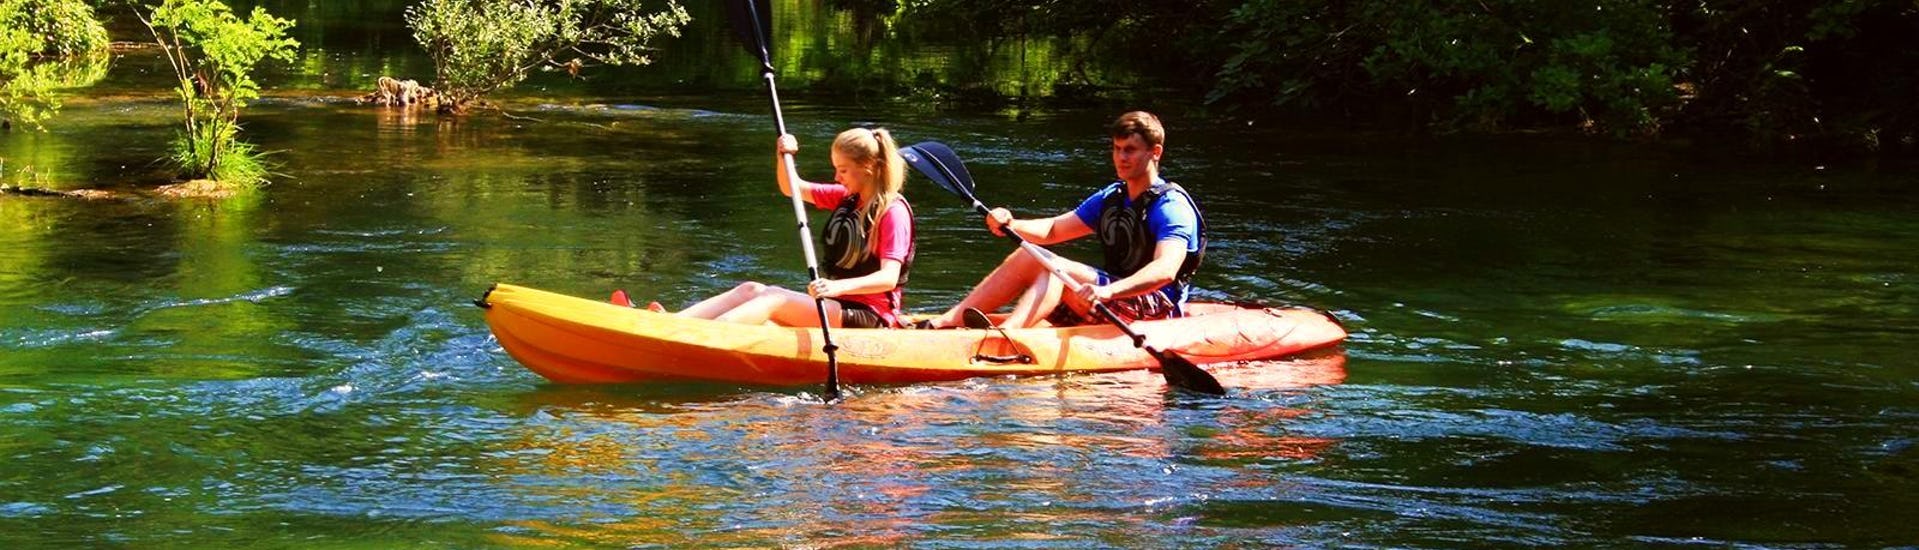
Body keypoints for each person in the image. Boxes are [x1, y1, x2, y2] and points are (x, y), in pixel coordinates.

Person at [924, 111, 1204, 329]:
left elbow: (1165, 270)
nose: (1121, 157)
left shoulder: (1171, 207)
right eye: (1117, 148)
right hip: (1113, 294)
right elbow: (1053, 230)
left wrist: (1107, 292)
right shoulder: (1113, 196)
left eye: (1130, 149)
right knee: (1030, 254)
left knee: (1054, 268)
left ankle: (1007, 335)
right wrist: (1010, 223)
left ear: (1155, 153)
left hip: (1157, 306)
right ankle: (949, 321)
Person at [662, 127, 916, 328]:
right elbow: (791, 187)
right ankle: (673, 323)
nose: (837, 178)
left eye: (843, 170)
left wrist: (836, 287)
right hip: (836, 303)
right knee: (751, 289)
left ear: (869, 168)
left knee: (775, 299)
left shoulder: (892, 212)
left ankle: (705, 336)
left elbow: (888, 278)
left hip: (870, 315)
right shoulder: (846, 198)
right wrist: (784, 156)